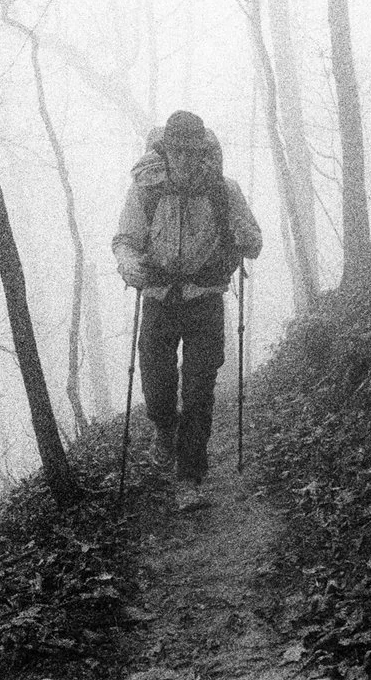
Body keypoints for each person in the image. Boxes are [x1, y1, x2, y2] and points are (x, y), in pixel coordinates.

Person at [113, 110, 262, 499]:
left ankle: (188, 478)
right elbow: (125, 239)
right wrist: (129, 265)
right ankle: (165, 428)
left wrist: (246, 238)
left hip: (205, 300)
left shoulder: (224, 191)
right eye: (176, 151)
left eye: (192, 151)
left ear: (202, 152)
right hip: (159, 298)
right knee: (157, 385)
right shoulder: (146, 189)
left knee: (198, 389)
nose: (184, 159)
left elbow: (254, 242)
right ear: (165, 151)